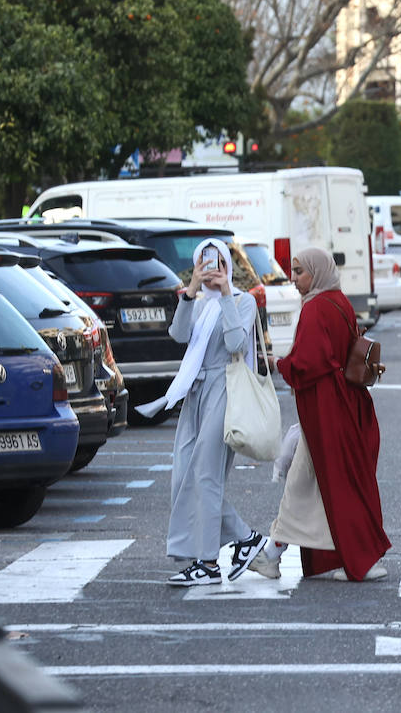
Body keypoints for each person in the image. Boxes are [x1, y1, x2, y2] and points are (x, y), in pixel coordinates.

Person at [248, 247, 391, 582]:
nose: (294, 279)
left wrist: (279, 363)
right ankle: (278, 553)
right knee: (315, 483)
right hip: (345, 405)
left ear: (316, 272)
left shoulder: (314, 308)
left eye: (299, 272)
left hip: (325, 411)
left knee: (319, 482)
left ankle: (347, 557)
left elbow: (307, 363)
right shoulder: (339, 301)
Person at [140, 238, 266, 587]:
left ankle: (208, 563)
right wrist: (191, 290)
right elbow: (178, 334)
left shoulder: (242, 302)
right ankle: (246, 539)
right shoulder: (196, 302)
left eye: (216, 263)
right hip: (193, 393)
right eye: (204, 262)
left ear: (226, 265)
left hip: (224, 391)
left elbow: (236, 344)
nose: (211, 269)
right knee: (184, 476)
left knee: (206, 476)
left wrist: (225, 293)